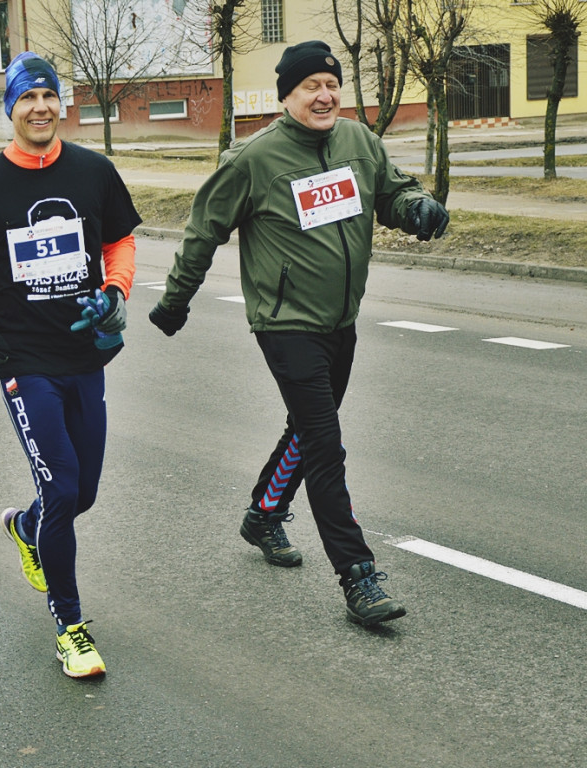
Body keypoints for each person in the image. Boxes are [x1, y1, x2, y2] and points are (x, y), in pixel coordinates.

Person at [148, 41, 449, 626]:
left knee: (307, 431)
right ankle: (358, 578)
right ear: (286, 96)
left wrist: (415, 208)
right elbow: (203, 231)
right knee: (325, 444)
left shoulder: (359, 141)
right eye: (309, 86)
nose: (324, 95)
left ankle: (264, 513)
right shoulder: (254, 159)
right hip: (285, 325)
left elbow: (390, 190)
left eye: (331, 84)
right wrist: (174, 302)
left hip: (341, 318)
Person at [0, 52, 140, 677]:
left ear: (61, 104)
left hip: (85, 352)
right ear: (11, 109)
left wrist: (117, 293)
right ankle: (70, 624)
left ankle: (25, 527)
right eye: (27, 98)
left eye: (49, 96)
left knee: (85, 492)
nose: (41, 108)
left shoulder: (93, 172)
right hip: (23, 358)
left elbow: (120, 241)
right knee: (62, 488)